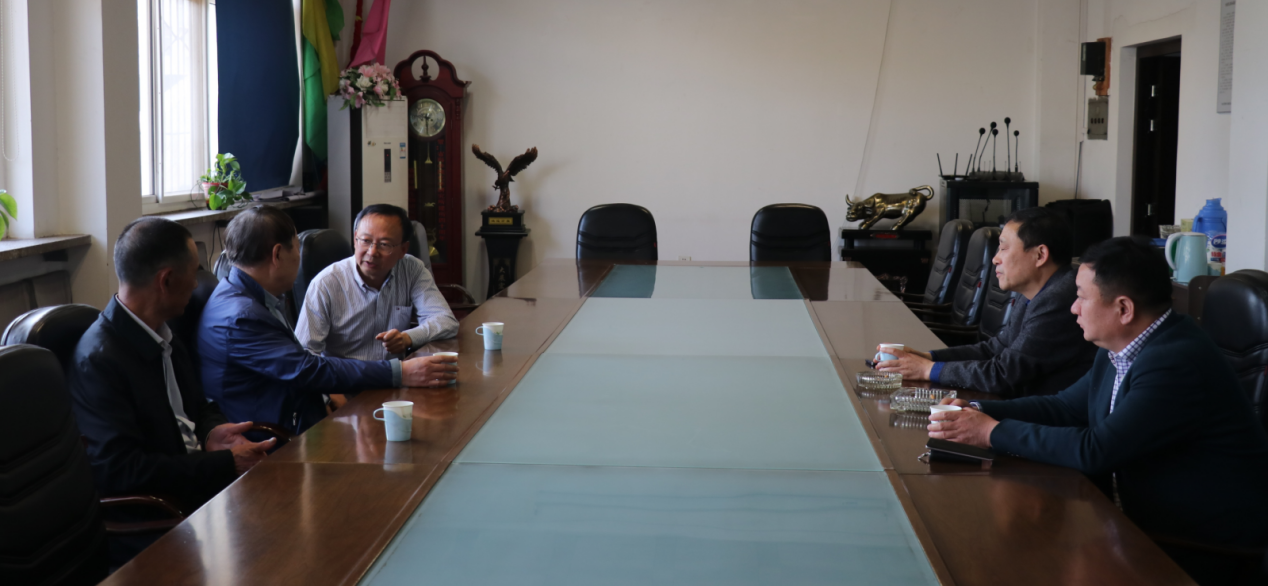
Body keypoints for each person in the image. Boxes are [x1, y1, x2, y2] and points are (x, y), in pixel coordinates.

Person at [929, 236, 1268, 584]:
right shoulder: (1120, 345)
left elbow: (1096, 450)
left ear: (1124, 309)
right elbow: (1064, 407)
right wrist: (976, 409)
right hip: (1137, 511)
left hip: (1198, 544)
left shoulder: (1175, 361)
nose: (1073, 308)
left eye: (1081, 297)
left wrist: (989, 432)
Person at [66, 217, 275, 565]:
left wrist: (212, 431)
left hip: (197, 490)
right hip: (162, 516)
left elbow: (199, 405)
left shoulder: (163, 331)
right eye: (193, 273)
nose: (196, 283)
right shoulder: (99, 361)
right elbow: (123, 470)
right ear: (166, 280)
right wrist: (223, 463)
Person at [198, 207, 457, 435]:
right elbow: (305, 369)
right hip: (279, 434)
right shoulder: (243, 315)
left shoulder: (253, 297)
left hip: (309, 412)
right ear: (277, 254)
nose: (372, 252)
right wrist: (399, 372)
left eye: (384, 244)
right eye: (296, 248)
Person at [877, 207, 1097, 397]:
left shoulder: (1058, 300)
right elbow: (995, 349)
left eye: (1004, 248)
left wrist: (928, 370)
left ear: (1040, 255)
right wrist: (927, 357)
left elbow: (1003, 374)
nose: (995, 258)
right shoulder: (1037, 292)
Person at [296, 204, 457, 362]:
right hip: (348, 377)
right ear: (355, 239)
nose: (372, 252)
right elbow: (304, 354)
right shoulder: (325, 283)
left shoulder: (411, 269)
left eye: (384, 244)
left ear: (403, 249)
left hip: (399, 374)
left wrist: (408, 337)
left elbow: (446, 320)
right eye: (365, 240)